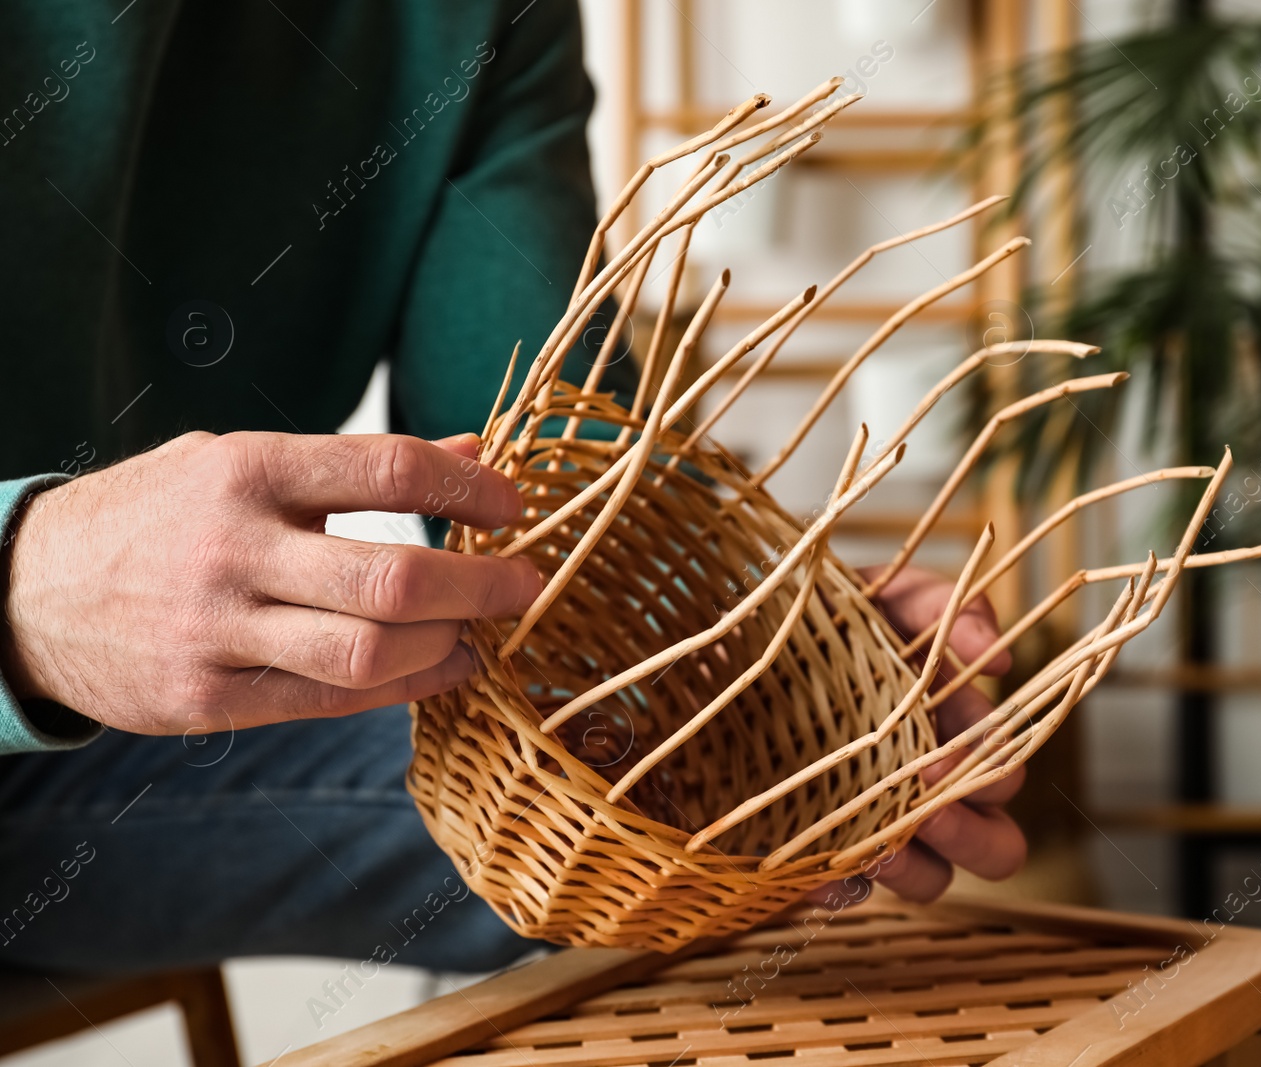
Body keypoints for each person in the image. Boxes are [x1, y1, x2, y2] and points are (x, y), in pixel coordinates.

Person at [0, 0, 1024, 975]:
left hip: (141, 732)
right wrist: (25, 584)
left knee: (707, 801)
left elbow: (552, 466)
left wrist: (763, 633)